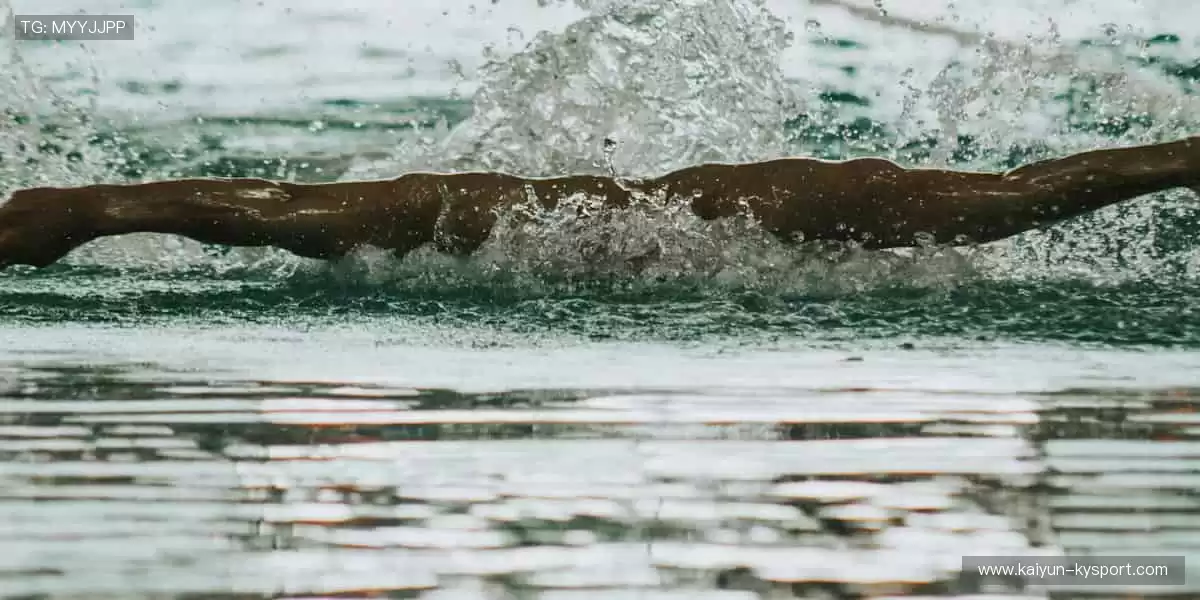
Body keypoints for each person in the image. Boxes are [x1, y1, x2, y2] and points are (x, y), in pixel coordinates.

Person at [0, 136, 1197, 270]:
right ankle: (76, 209)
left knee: (319, 218)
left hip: (501, 211)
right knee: (313, 219)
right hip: (495, 212)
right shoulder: (831, 210)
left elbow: (1036, 192)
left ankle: (76, 209)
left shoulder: (831, 208)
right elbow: (1038, 192)